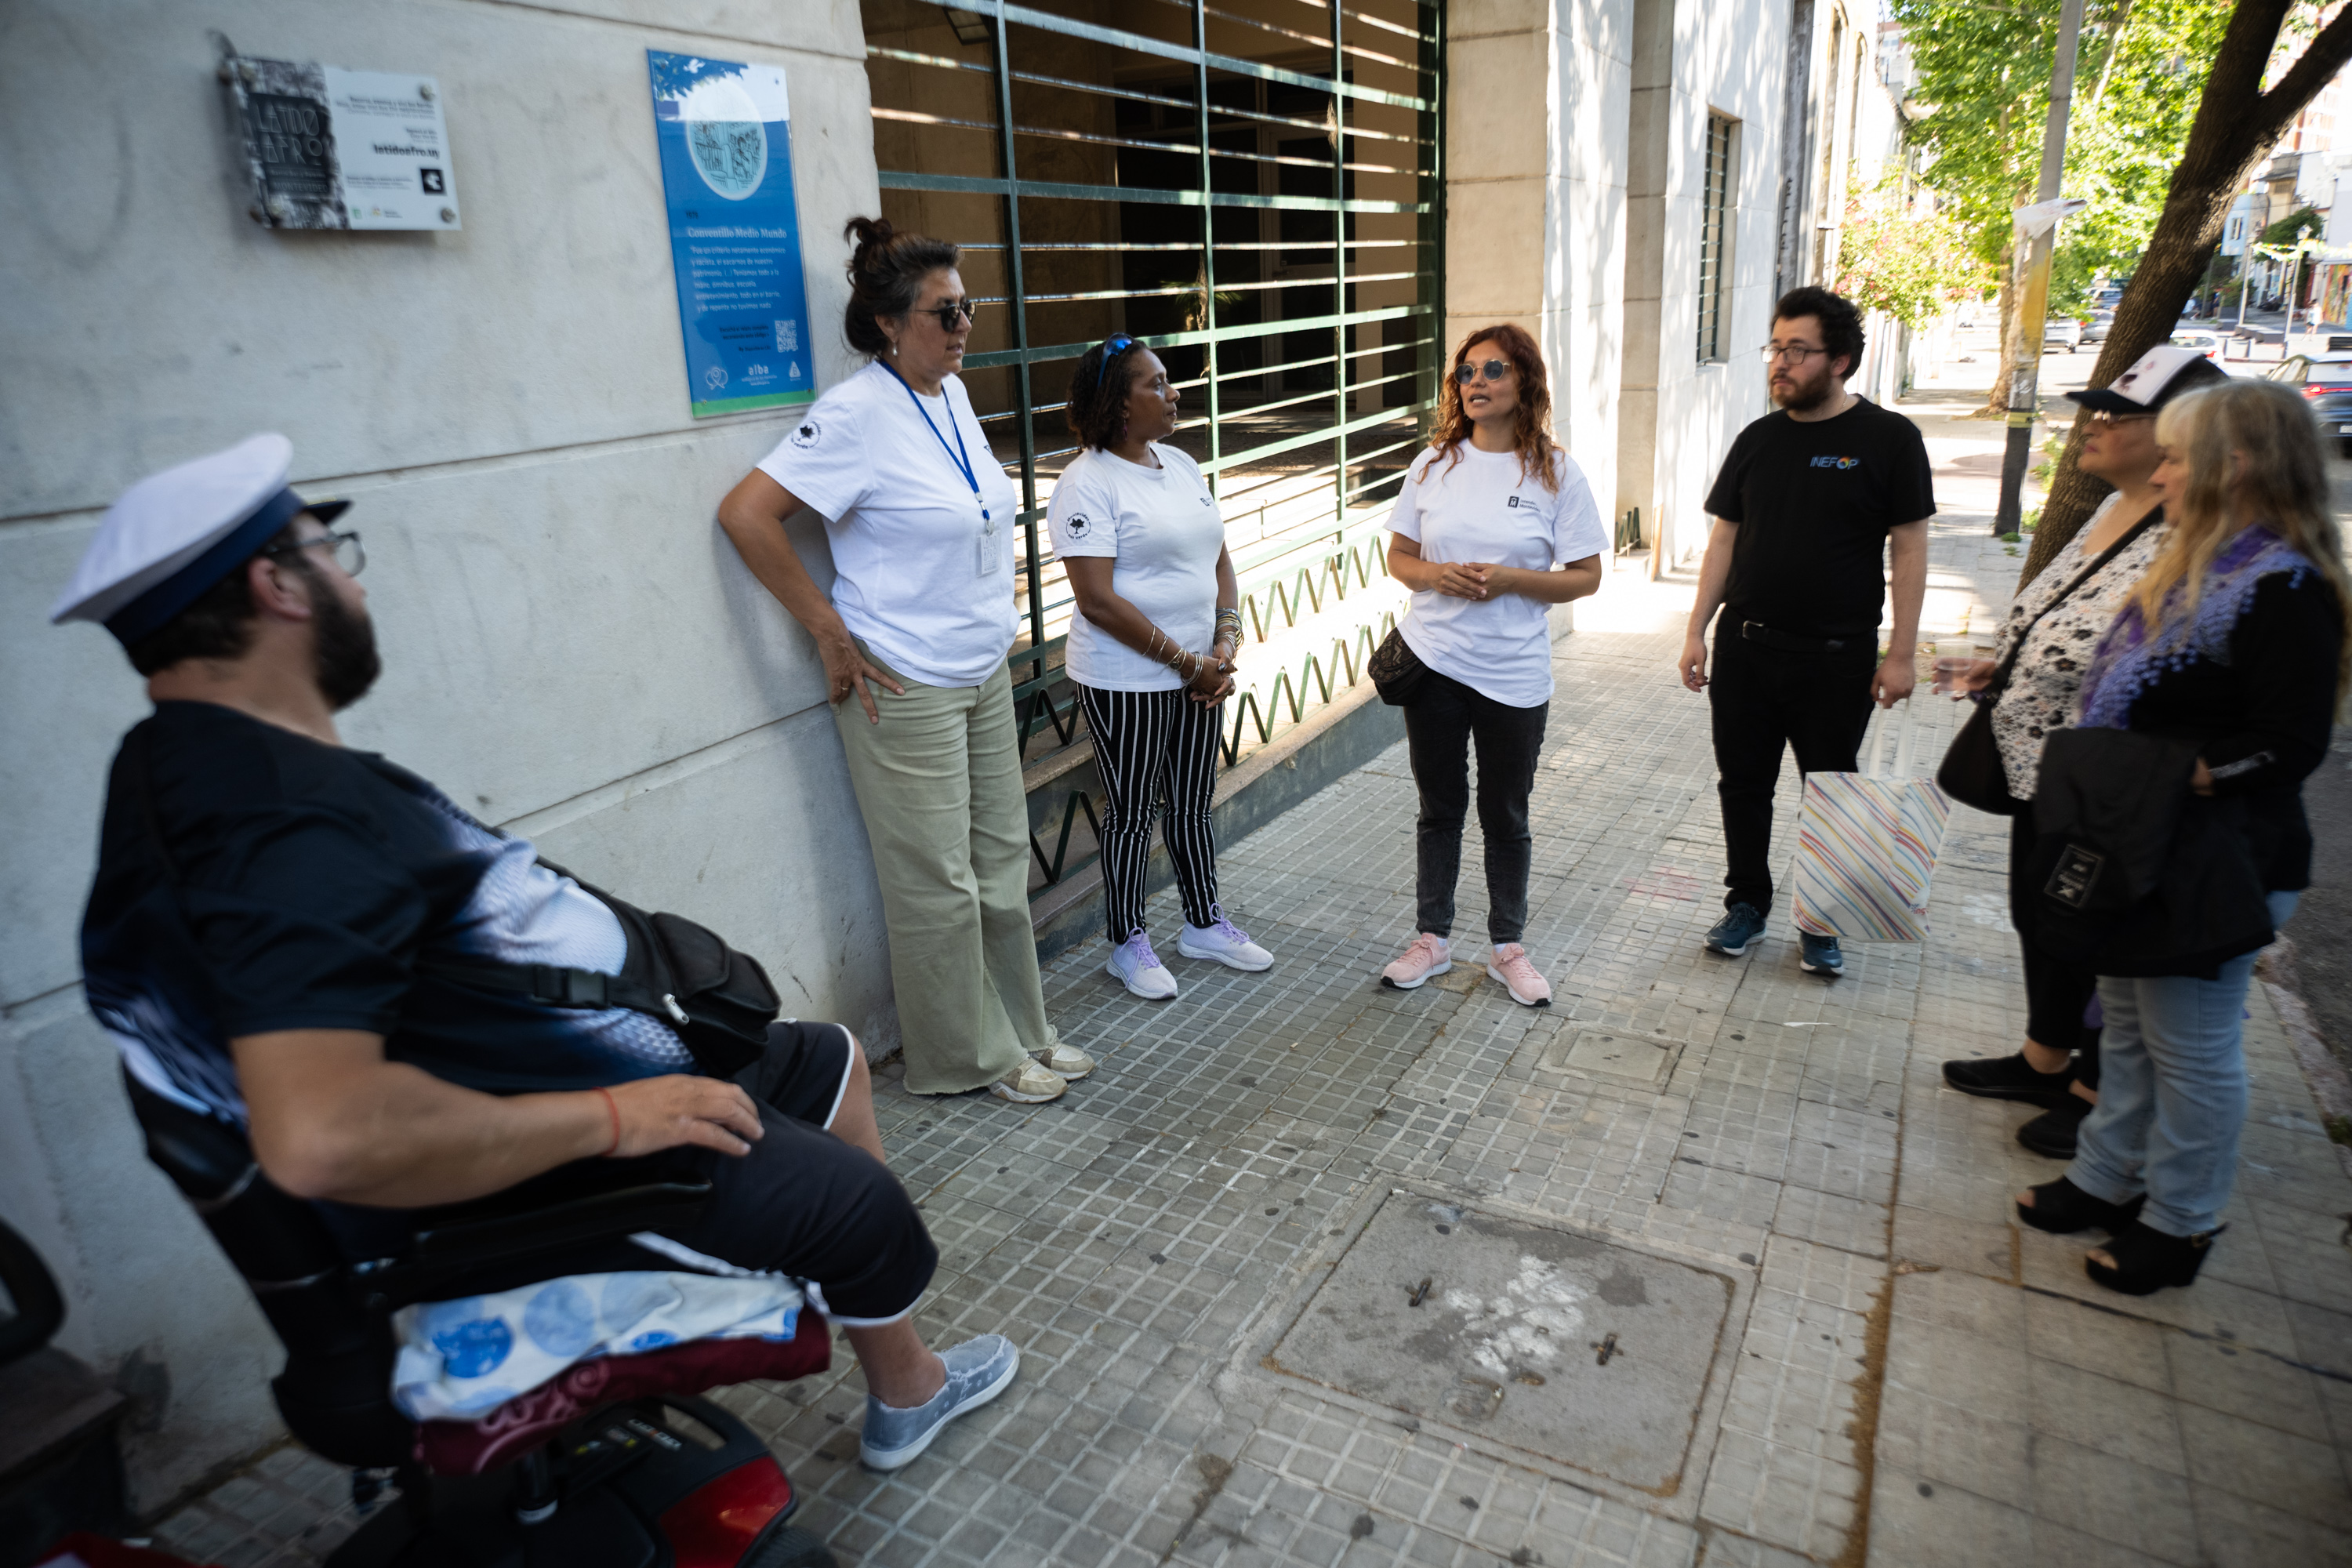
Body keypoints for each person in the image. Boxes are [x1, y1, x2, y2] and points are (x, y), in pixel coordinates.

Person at [52, 434, 1016, 1470]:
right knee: (852, 1204)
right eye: (334, 555)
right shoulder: (269, 825)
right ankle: (894, 1355)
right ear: (276, 584)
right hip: (531, 1183)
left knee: (831, 1061)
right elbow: (324, 1133)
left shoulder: (198, 763)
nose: (354, 584)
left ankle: (905, 1382)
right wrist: (616, 1117)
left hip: (546, 1077)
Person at [717, 218, 1092, 1104]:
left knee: (1000, 861)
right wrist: (828, 631)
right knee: (937, 881)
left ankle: (1023, 1029)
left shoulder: (950, 395)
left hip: (980, 668)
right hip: (904, 678)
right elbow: (746, 514)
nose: (963, 327)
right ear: (889, 323)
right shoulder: (854, 414)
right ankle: (967, 1056)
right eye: (943, 312)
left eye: (968, 308)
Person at [2014, 379, 2348, 1294]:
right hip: (2149, 849)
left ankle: (2183, 1217)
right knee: (2125, 1027)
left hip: (2219, 861)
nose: (2158, 472)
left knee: (2192, 1048)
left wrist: (2171, 777)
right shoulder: (2195, 560)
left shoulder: (2284, 584)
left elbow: (2290, 744)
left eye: (2172, 456)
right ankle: (2106, 1173)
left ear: (2232, 465)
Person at [1937, 347, 2223, 1159]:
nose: (2091, 425)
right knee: (2043, 917)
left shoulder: (2194, 533)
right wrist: (2007, 664)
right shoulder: (2111, 507)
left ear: (2180, 432)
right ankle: (2044, 1056)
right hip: (2044, 769)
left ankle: (2095, 1090)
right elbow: (2067, 618)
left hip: (2108, 786)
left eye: (2115, 414)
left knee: (2092, 928)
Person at [1678, 286, 1935, 978]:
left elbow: (1910, 549)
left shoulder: (1889, 440)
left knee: (1832, 791)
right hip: (1746, 648)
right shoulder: (1758, 441)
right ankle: (1746, 904)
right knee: (1744, 784)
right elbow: (1724, 541)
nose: (1780, 363)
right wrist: (1697, 629)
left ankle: (1823, 919)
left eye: (1798, 350)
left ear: (1840, 360)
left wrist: (1902, 654)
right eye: (1776, 348)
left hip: (1837, 658)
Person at [1377, 325, 1608, 1007]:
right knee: (1439, 808)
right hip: (1436, 663)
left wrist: (1510, 580)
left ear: (1525, 381)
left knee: (1506, 813)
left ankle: (1508, 947)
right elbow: (1399, 558)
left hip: (1514, 673)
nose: (1476, 382)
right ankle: (1431, 940)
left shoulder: (1557, 472)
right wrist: (1435, 575)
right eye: (1467, 372)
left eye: (1494, 370)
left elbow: (1587, 576)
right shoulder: (1433, 464)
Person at [1047, 335, 1270, 1000]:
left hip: (1201, 671)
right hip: (1127, 680)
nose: (1174, 393)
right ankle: (1128, 941)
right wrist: (1186, 663)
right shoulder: (1085, 483)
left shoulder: (1181, 464)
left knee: (1193, 803)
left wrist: (1224, 644)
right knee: (1131, 811)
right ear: (1120, 404)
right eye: (1157, 384)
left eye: (1169, 381)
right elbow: (1096, 599)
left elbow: (1219, 560)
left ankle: (1204, 923)